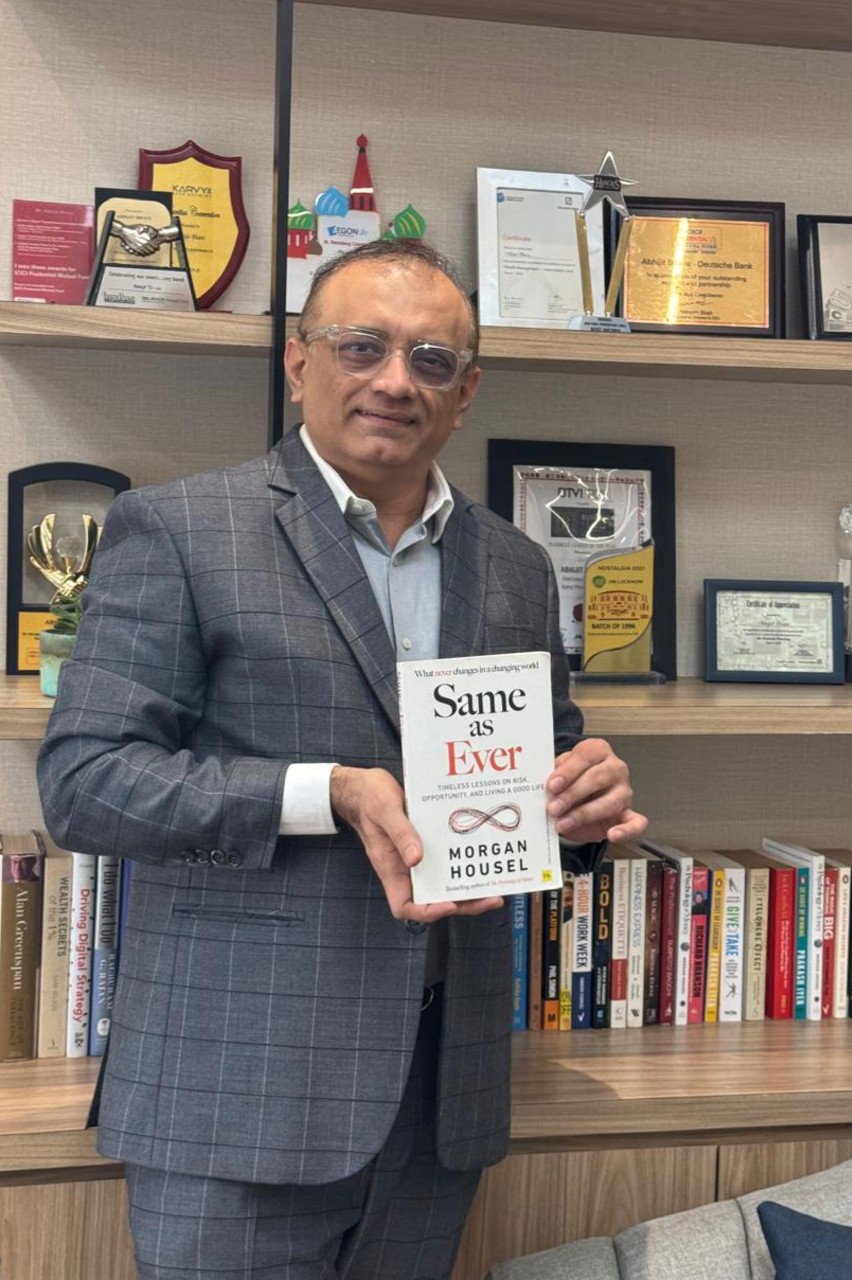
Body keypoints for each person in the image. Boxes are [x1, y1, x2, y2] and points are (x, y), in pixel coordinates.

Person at [37, 239, 647, 1280]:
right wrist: (329, 793)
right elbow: (86, 782)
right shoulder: (181, 528)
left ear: (466, 392)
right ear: (298, 362)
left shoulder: (514, 564)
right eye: (362, 346)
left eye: (431, 359)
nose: (395, 380)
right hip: (239, 1089)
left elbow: (537, 766)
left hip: (438, 1097)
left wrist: (584, 809)